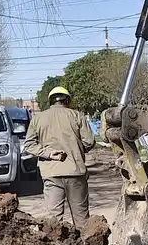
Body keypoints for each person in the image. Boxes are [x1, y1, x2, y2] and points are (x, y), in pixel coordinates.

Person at [24, 85, 96, 225]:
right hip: (75, 173)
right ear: (67, 100)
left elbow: (29, 145)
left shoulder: (38, 118)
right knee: (82, 219)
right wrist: (75, 150)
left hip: (51, 174)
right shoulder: (77, 115)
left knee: (54, 221)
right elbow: (89, 141)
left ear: (51, 101)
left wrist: (48, 153)